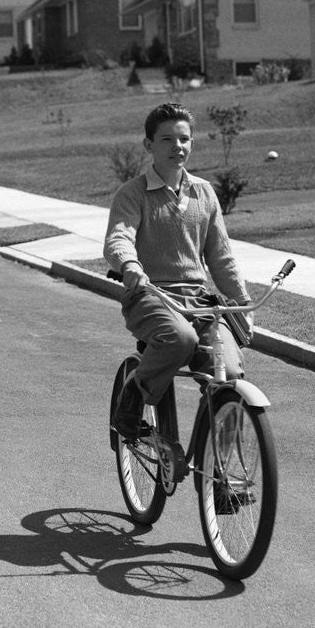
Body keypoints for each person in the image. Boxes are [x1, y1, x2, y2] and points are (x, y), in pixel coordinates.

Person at [104, 103, 252, 439]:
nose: (177, 146)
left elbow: (221, 257)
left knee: (229, 373)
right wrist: (129, 266)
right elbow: (118, 238)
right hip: (150, 296)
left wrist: (241, 302)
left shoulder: (204, 193)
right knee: (180, 340)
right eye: (167, 139)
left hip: (198, 301)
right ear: (149, 145)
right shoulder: (132, 194)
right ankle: (132, 397)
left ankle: (227, 480)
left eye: (184, 138)